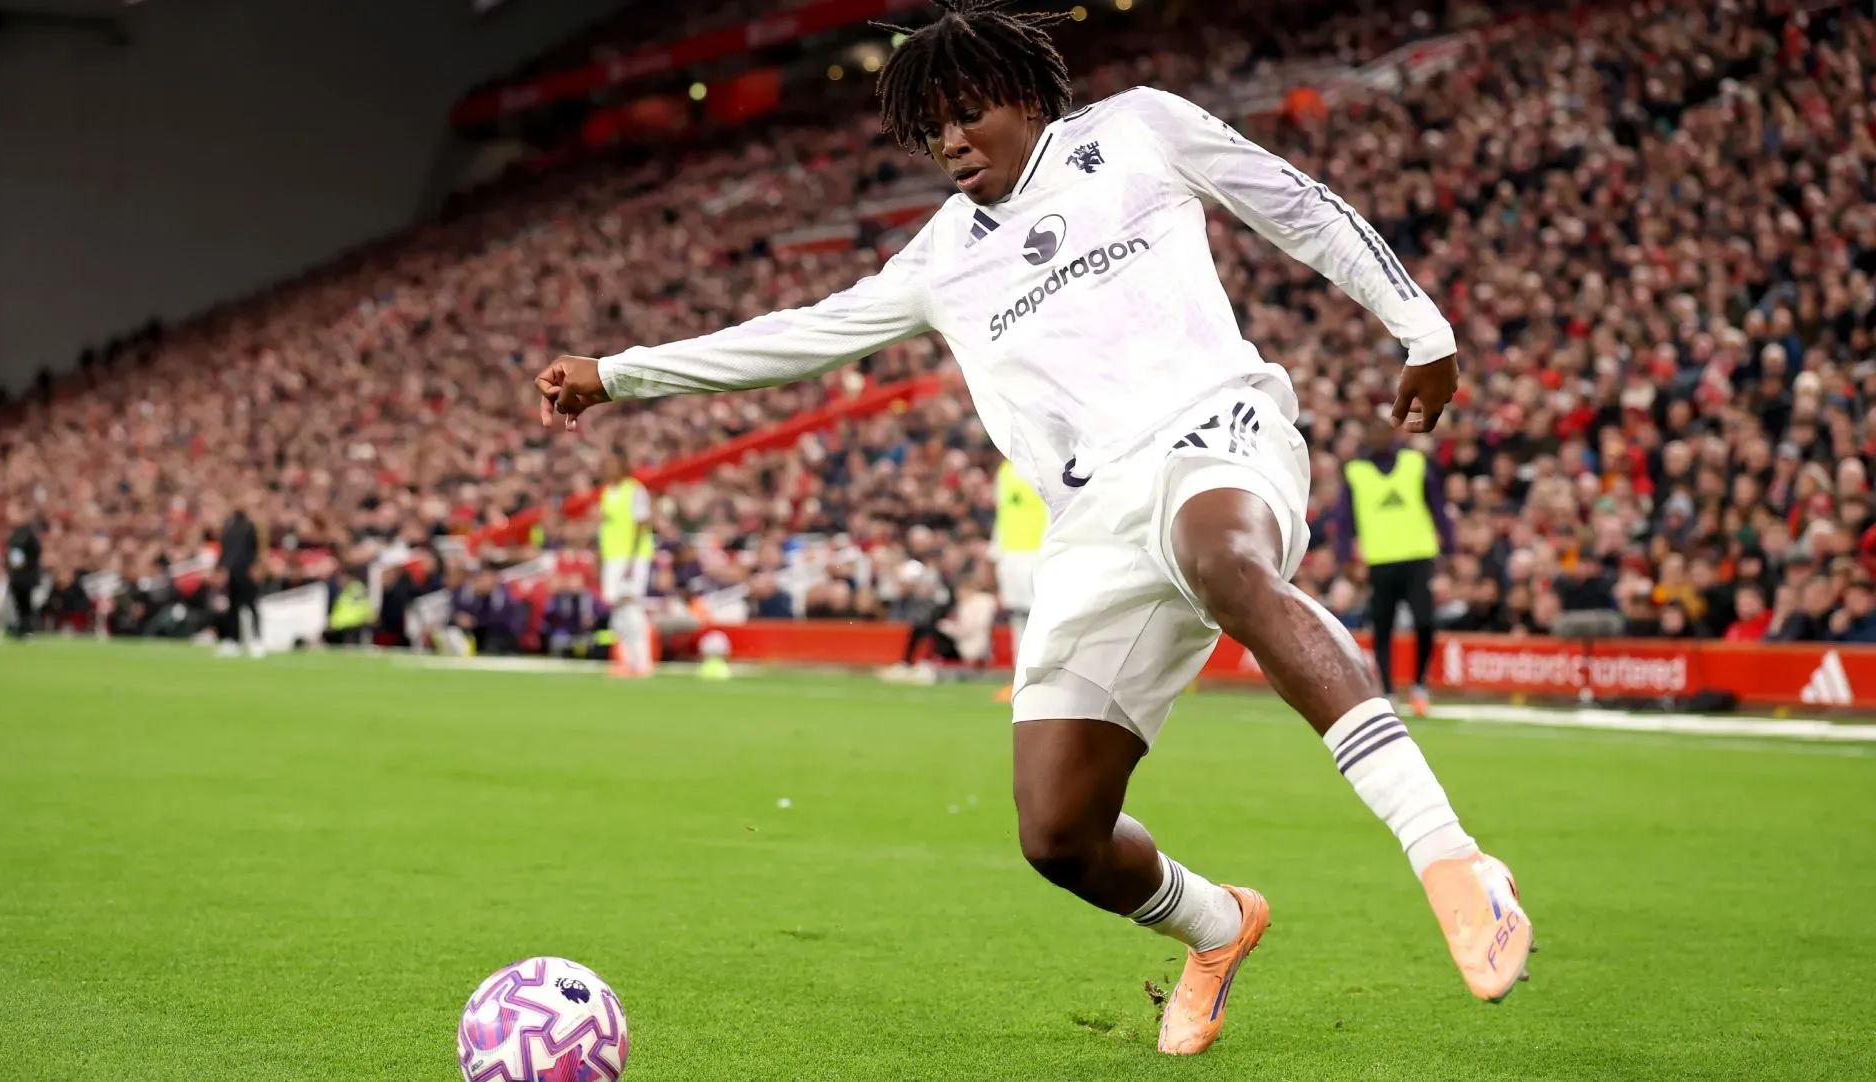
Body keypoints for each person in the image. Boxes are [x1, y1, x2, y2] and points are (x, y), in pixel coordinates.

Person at [532, 0, 1530, 1054]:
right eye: (932, 131)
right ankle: (1219, 923)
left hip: (1215, 435)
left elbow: (1294, 202)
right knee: (1057, 833)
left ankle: (1453, 856)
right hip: (1094, 524)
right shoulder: (936, 262)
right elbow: (799, 338)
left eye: (965, 114)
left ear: (1023, 95)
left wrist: (1419, 324)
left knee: (1228, 562)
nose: (950, 142)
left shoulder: (1137, 129)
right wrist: (617, 375)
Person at [1335, 416, 1453, 716]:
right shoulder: (1356, 471)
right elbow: (1345, 520)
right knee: (1382, 627)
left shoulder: (1414, 463)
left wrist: (1449, 550)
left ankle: (1419, 684)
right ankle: (1388, 691)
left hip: (1417, 556)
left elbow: (1437, 506)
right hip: (1380, 560)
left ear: (1393, 434)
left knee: (1425, 622)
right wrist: (1345, 557)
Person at [992, 458, 1048, 701]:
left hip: (1039, 552)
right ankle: (1020, 679)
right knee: (1017, 616)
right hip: (1010, 556)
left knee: (1041, 617)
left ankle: (1043, 679)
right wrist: (995, 552)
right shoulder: (1004, 470)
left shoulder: (1044, 462)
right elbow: (1002, 514)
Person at [598, 455, 655, 677]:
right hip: (612, 556)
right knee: (618, 608)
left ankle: (642, 662)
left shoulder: (635, 490)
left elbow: (641, 524)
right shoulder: (606, 492)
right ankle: (625, 660)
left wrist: (632, 560)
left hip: (631, 557)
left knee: (631, 606)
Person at [217, 508, 264, 657]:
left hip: (247, 572)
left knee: (251, 606)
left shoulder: (250, 527)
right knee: (233, 608)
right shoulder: (228, 527)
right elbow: (225, 551)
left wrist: (255, 567)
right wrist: (222, 568)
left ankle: (256, 640)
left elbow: (255, 550)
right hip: (233, 573)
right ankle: (234, 641)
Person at [6, 512, 42, 640]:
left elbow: (30, 554)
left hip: (25, 576)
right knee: (19, 604)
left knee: (25, 604)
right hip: (18, 576)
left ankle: (27, 628)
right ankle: (21, 627)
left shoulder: (26, 533)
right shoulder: (18, 533)